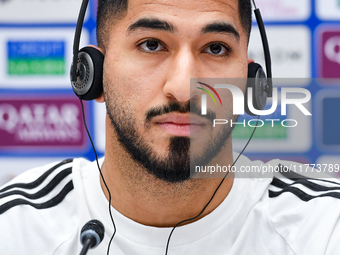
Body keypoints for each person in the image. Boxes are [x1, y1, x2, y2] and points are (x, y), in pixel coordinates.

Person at [1, 0, 340, 254]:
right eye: (152, 45)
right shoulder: (15, 230)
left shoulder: (323, 229)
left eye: (216, 48)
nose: (183, 88)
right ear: (93, 73)